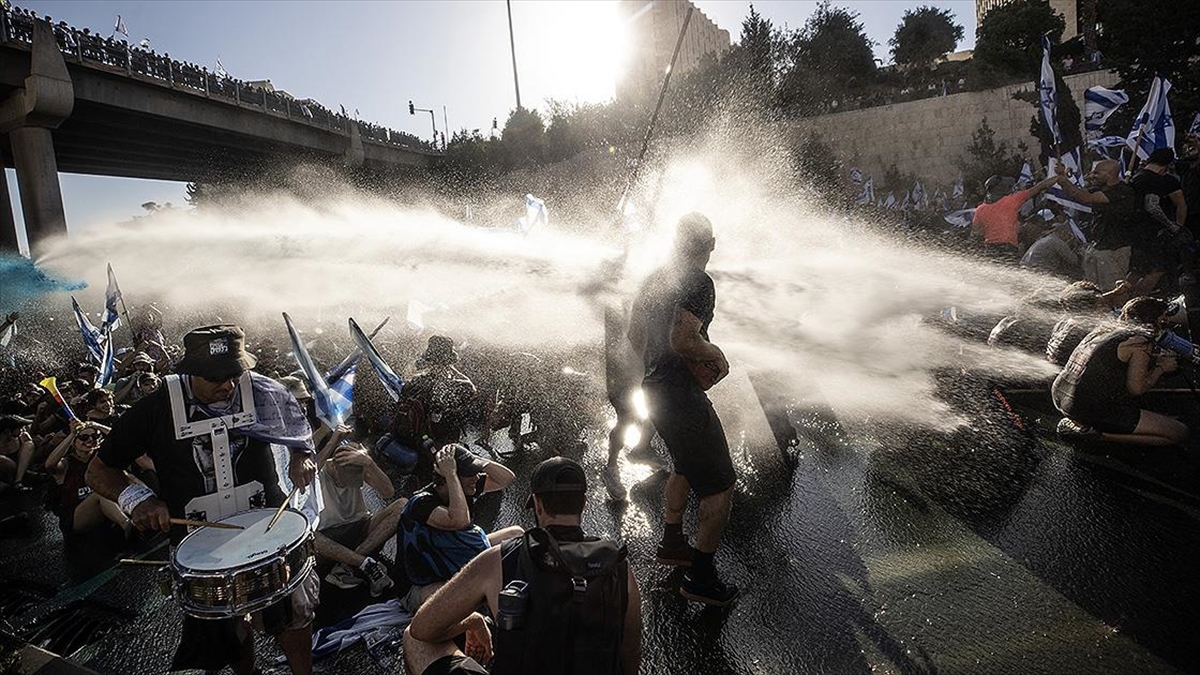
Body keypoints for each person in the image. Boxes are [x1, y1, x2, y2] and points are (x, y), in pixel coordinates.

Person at [86, 324, 319, 675]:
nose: (227, 385)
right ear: (190, 372)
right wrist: (138, 499)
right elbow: (99, 470)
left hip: (268, 525)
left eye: (234, 374)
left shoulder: (264, 393)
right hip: (199, 538)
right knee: (226, 621)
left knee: (292, 608)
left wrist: (302, 457)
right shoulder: (155, 409)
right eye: (214, 378)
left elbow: (299, 434)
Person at [404, 457, 641, 675]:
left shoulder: (500, 559)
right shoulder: (619, 567)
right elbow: (629, 652)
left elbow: (422, 628)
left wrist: (473, 620)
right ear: (584, 504)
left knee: (414, 640)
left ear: (538, 505)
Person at [627, 212, 737, 606]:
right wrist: (716, 356)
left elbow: (634, 334)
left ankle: (673, 542)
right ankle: (701, 578)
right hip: (680, 397)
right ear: (710, 243)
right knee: (721, 484)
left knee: (685, 466)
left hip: (655, 390)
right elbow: (683, 338)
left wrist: (656, 370)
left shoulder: (656, 277)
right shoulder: (698, 281)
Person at [1052, 297, 1189, 446]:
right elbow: (1136, 388)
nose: (1164, 326)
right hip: (1086, 407)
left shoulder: (1104, 329)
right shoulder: (1140, 342)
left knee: (1159, 419)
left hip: (1061, 395)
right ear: (1150, 321)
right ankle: (1097, 434)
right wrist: (1162, 367)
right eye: (1162, 321)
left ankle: (1082, 424)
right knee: (1179, 432)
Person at [399, 444, 519, 612]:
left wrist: (476, 461)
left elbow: (506, 478)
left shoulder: (467, 488)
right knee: (472, 594)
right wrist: (450, 473)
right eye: (470, 474)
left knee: (517, 534)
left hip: (455, 556)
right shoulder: (421, 503)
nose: (477, 477)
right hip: (423, 585)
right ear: (449, 479)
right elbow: (459, 521)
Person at [315, 438, 406, 597]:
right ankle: (362, 563)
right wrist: (332, 435)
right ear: (334, 467)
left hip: (359, 526)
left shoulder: (361, 468)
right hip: (330, 535)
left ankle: (348, 564)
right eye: (344, 481)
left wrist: (370, 463)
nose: (349, 486)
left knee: (402, 505)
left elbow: (389, 492)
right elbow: (308, 470)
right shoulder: (320, 472)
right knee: (312, 539)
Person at [387, 335, 478, 477]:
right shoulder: (455, 385)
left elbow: (402, 394)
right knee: (439, 480)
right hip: (442, 447)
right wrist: (451, 369)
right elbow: (472, 389)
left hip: (417, 441)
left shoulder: (415, 382)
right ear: (449, 362)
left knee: (419, 476)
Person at [1053, 159, 1137, 291]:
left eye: (1097, 173)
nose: (1092, 176)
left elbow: (1085, 197)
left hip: (1113, 249)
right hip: (1096, 246)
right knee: (1091, 290)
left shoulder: (1122, 190)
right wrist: (1062, 178)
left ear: (1109, 174)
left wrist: (1064, 181)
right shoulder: (1099, 189)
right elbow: (1075, 194)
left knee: (1112, 289)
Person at [44, 421, 129, 536]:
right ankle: (128, 526)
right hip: (76, 518)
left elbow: (123, 438)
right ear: (74, 443)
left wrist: (97, 426)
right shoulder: (66, 465)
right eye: (84, 437)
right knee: (99, 493)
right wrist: (72, 434)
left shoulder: (100, 457)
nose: (90, 440)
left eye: (94, 436)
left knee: (126, 477)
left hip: (105, 512)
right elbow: (49, 465)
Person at [1127, 148, 1190, 295]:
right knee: (1156, 271)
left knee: (1137, 270)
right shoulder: (1163, 181)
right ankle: (1134, 303)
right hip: (1154, 234)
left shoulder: (1136, 177)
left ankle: (1119, 300)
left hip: (1135, 232)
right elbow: (1155, 206)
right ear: (1166, 165)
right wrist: (1176, 227)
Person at [971, 173, 1058, 260]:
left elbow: (976, 233)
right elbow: (1039, 187)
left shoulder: (980, 209)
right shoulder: (1011, 200)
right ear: (1001, 188)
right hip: (1008, 248)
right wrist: (1058, 177)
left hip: (990, 250)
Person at [1046, 280, 1133, 366]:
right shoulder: (1086, 332)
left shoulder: (1065, 322)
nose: (1106, 307)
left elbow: (1091, 301)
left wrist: (1114, 293)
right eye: (1102, 304)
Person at [0, 414, 36, 489]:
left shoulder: (22, 437)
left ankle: (18, 481)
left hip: (20, 469)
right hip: (4, 474)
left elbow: (31, 455)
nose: (22, 430)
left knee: (29, 445)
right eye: (19, 428)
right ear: (7, 431)